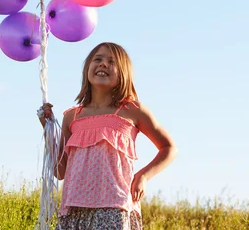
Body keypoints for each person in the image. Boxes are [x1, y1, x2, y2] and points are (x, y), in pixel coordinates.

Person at [38, 42, 178, 230]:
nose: (103, 64)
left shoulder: (132, 110)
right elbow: (60, 171)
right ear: (87, 68)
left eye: (111, 61)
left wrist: (143, 176)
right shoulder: (72, 116)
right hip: (74, 209)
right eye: (98, 59)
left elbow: (169, 148)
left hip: (114, 206)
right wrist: (47, 129)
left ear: (123, 73)